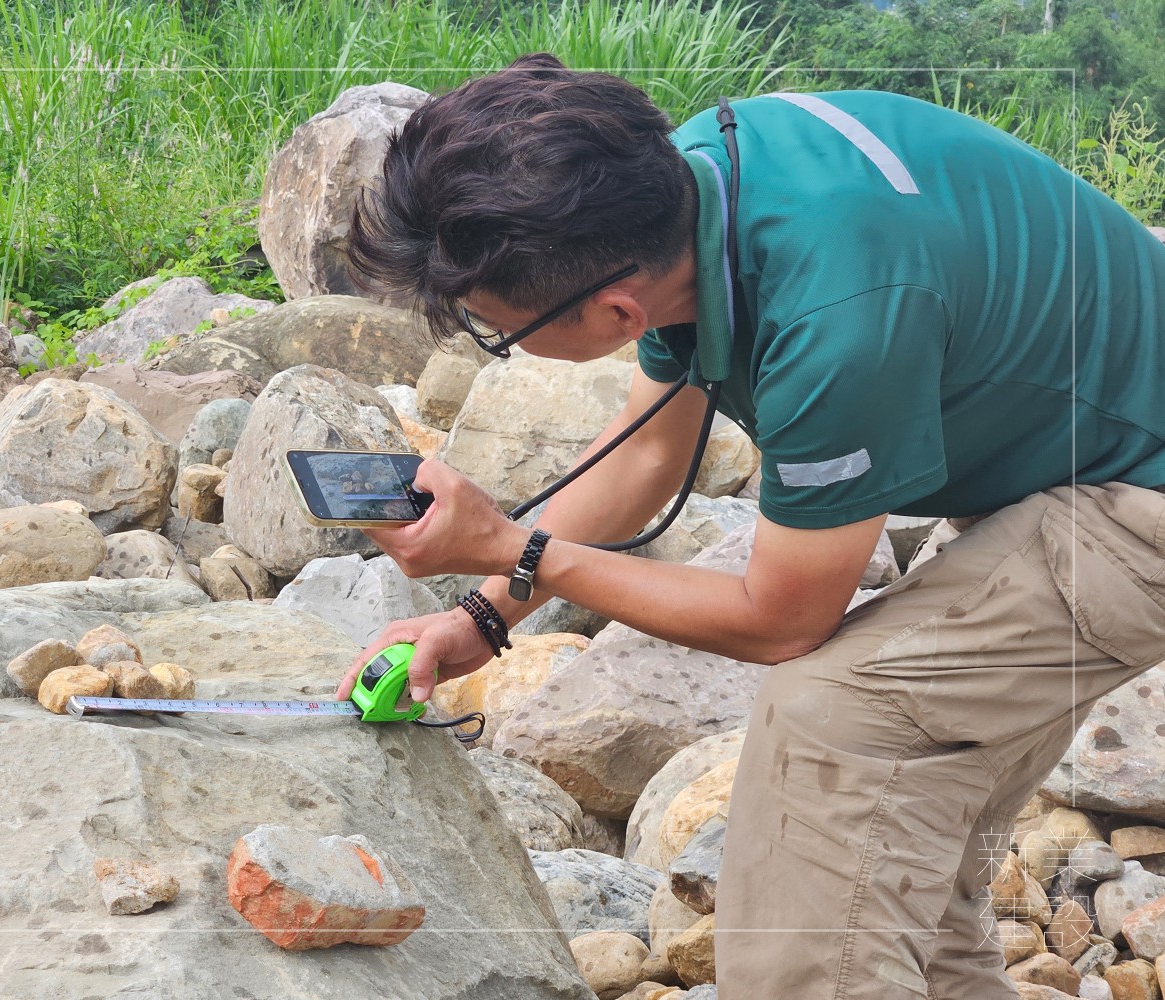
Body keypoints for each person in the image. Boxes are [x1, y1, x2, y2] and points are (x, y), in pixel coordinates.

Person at [333, 53, 1165, 1000]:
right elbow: (648, 454)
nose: (501, 346)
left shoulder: (837, 317)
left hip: (1138, 496)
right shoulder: (687, 189)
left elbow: (783, 621)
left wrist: (514, 546)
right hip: (1075, 453)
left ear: (613, 310)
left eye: (497, 330)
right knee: (897, 835)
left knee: (837, 727)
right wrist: (480, 616)